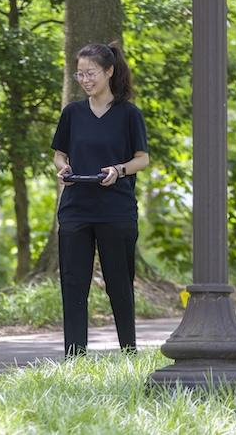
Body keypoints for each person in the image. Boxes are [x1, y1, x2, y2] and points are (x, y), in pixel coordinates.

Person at [51, 42, 149, 358]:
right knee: (73, 283)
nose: (85, 80)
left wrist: (118, 170)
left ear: (109, 71)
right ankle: (74, 355)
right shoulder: (72, 113)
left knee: (119, 282)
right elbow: (59, 154)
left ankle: (129, 351)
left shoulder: (129, 114)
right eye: (80, 74)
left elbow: (142, 159)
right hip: (76, 209)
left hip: (116, 210)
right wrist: (63, 168)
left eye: (91, 73)